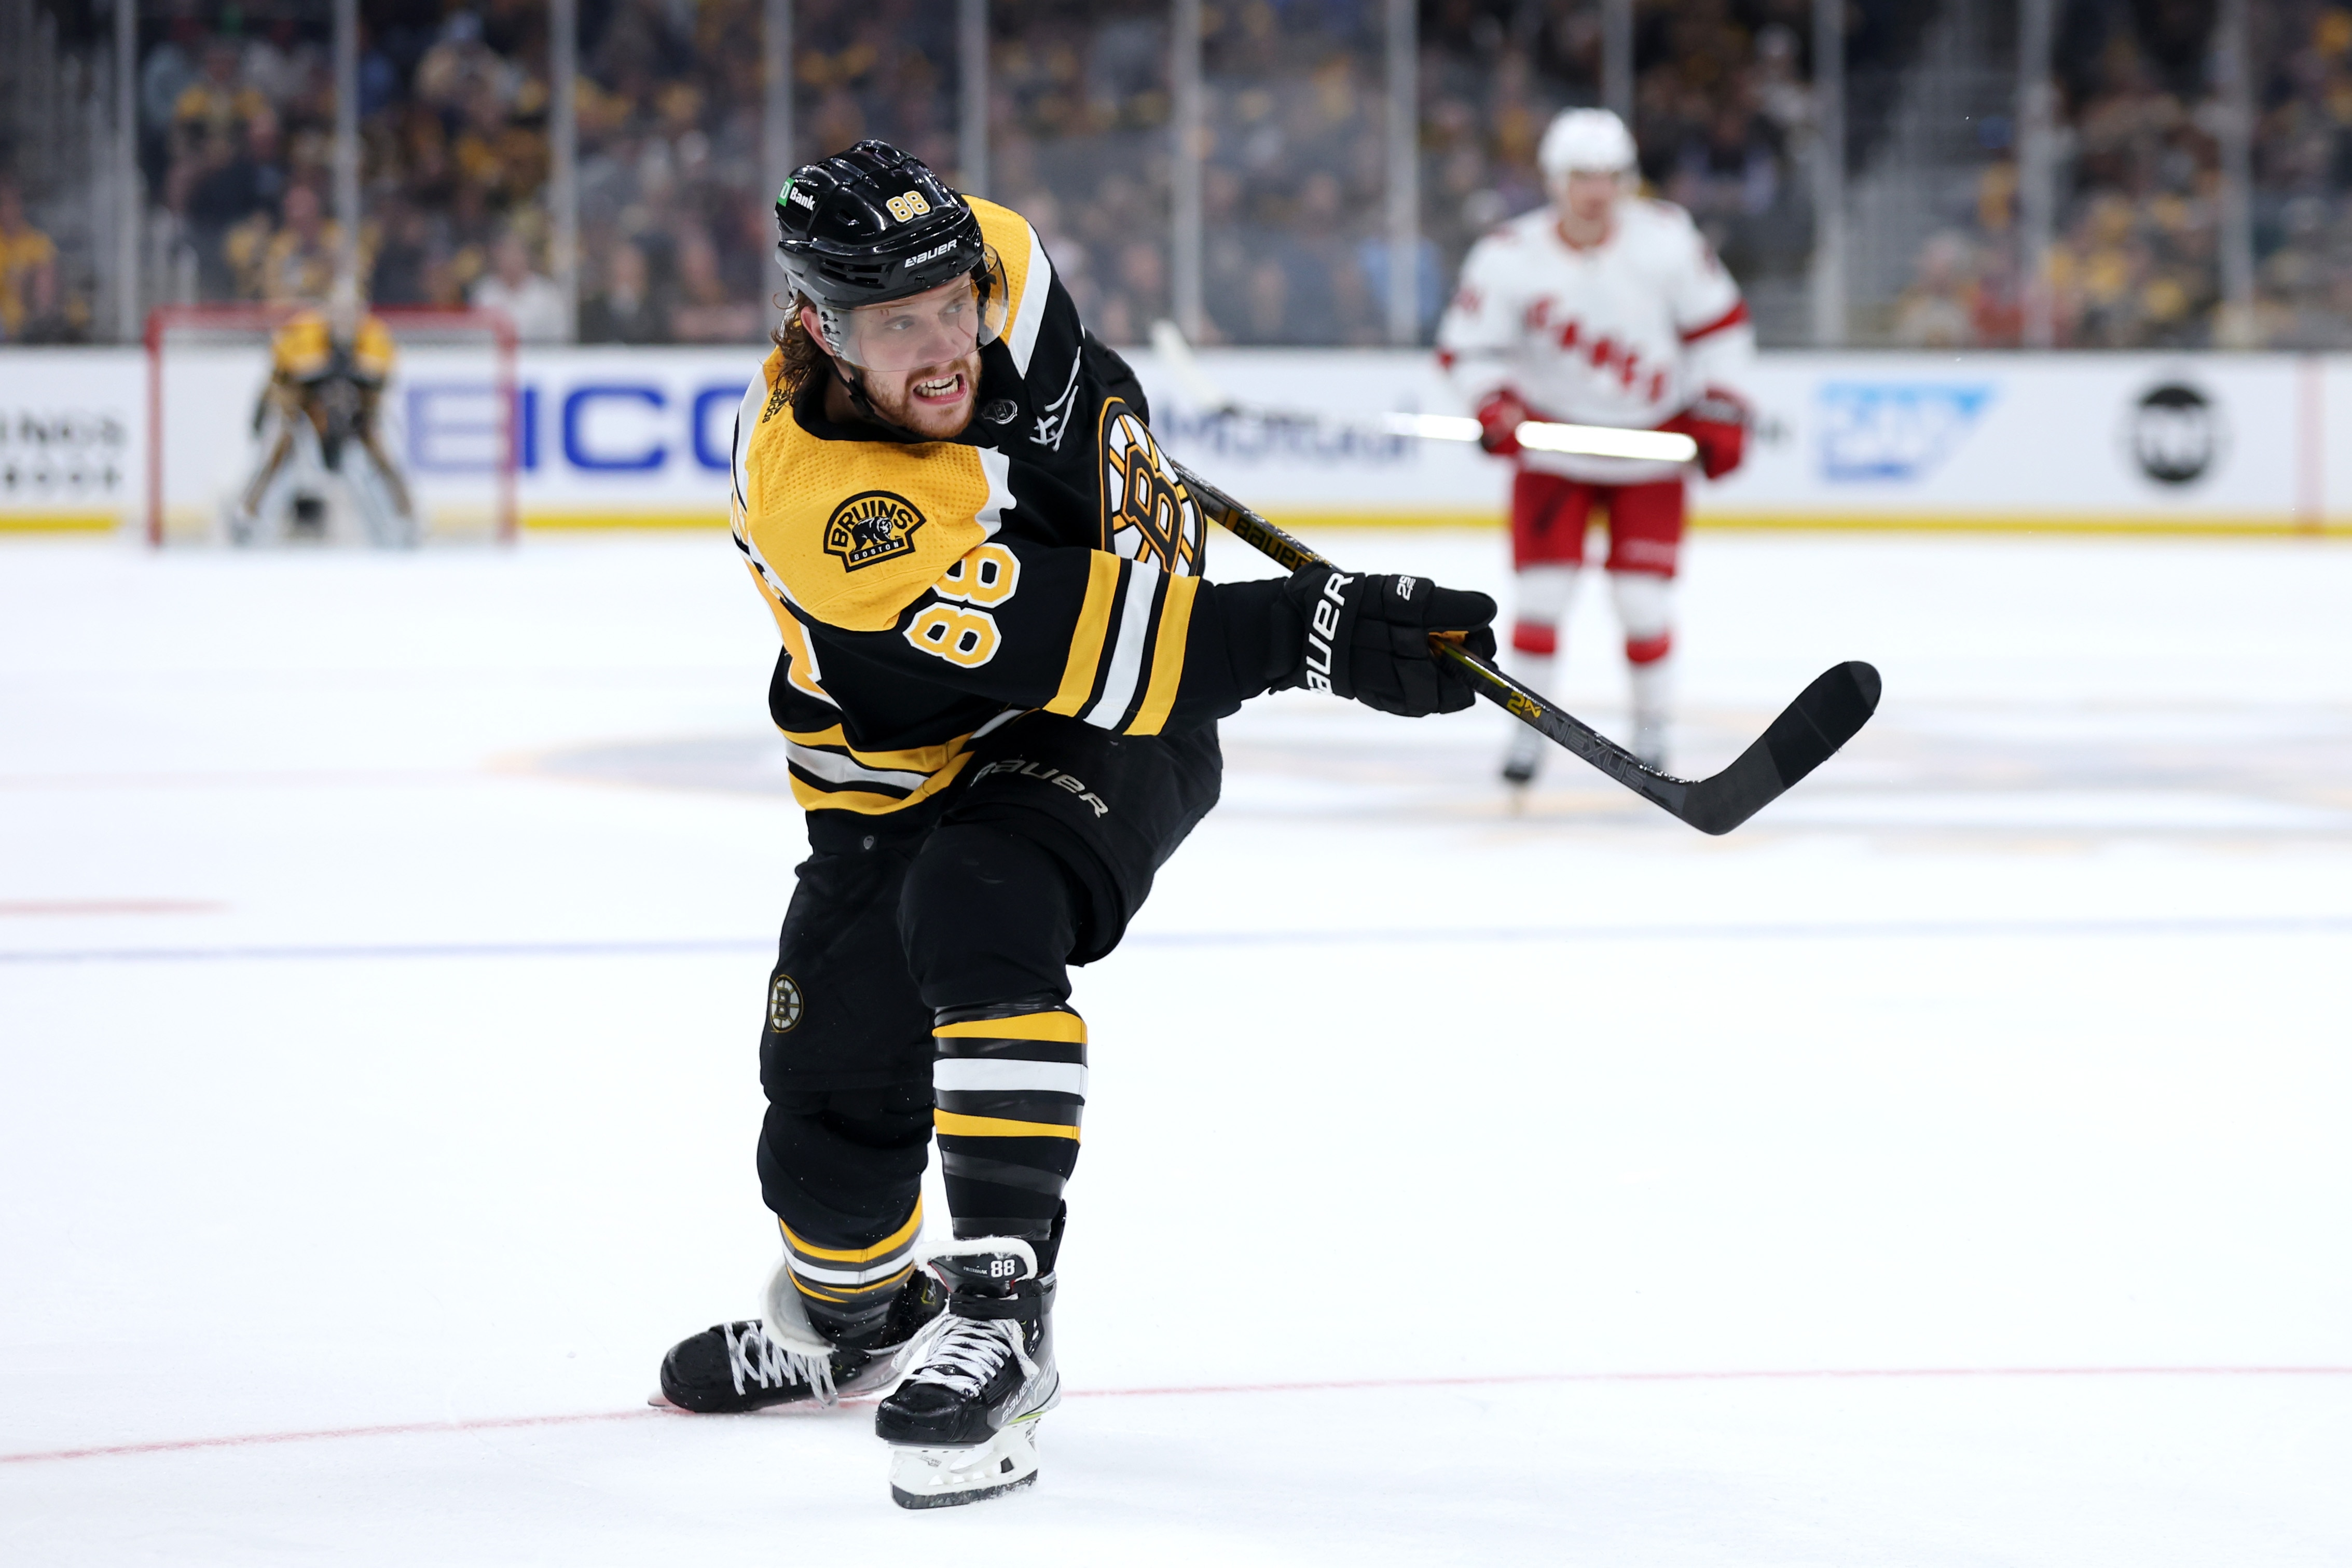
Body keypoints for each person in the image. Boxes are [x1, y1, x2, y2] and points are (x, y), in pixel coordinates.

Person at [656, 141, 1496, 1508]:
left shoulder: (993, 255)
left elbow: (1091, 401)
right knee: (820, 1121)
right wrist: (1321, 627)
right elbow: (1088, 636)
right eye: (894, 328)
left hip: (1107, 724)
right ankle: (856, 1318)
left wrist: (1120, 476)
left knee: (978, 904)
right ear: (818, 326)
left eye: (951, 309)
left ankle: (1001, 1320)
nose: (943, 350)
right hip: (933, 754)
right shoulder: (837, 515)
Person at [1437, 108, 1753, 781]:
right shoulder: (1508, 254)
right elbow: (1467, 348)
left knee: (1642, 602)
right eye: (1583, 176)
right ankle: (1527, 731)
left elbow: (1722, 330)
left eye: (1611, 177)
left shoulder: (1665, 240)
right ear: (1555, 180)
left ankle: (1652, 730)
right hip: (1553, 449)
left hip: (1649, 447)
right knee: (1542, 597)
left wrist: (1722, 409)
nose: (1597, 191)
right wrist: (1493, 404)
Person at [225, 279, 419, 548]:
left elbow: (380, 385)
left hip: (357, 415)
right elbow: (282, 380)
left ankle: (405, 518)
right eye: (338, 310)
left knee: (381, 450)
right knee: (278, 450)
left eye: (351, 311)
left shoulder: (374, 335)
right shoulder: (303, 331)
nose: (344, 318)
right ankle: (248, 514)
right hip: (303, 412)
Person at [469, 231, 568, 343]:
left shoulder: (546, 293)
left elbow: (560, 335)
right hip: (492, 357)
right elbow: (474, 335)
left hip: (539, 358)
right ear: (497, 257)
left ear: (526, 256)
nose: (512, 259)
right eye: (507, 253)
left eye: (516, 253)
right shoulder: (484, 292)